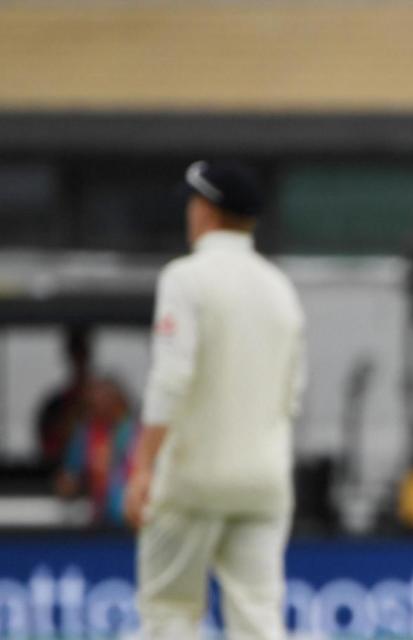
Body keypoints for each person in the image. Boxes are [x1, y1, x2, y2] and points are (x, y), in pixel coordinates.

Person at [124, 160, 306, 640]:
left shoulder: (186, 278)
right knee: (258, 619)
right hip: (264, 482)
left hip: (193, 477)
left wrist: (142, 466)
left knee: (170, 613)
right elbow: (293, 395)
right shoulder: (280, 288)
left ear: (204, 210)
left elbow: (171, 378)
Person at [56, 376, 137, 526]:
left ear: (116, 400)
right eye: (90, 404)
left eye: (96, 402)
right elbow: (69, 477)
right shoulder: (85, 435)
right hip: (100, 522)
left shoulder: (140, 433)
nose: (92, 408)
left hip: (136, 521)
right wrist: (67, 484)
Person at [35, 324, 93, 469]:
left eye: (82, 352)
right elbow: (50, 451)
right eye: (76, 352)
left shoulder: (106, 400)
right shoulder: (56, 406)